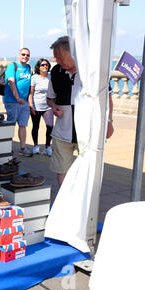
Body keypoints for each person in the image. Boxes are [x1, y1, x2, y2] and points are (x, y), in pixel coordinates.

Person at [47, 36, 114, 187]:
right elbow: (50, 98)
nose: (57, 61)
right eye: (56, 58)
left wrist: (109, 122)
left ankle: (86, 203)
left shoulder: (93, 72)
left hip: (88, 132)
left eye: (60, 57)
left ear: (73, 54)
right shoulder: (56, 72)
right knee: (62, 170)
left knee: (89, 169)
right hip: (62, 132)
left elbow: (107, 98)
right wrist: (53, 107)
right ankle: (65, 202)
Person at [3, 48, 33, 156]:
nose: (25, 56)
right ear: (19, 55)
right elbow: (11, 82)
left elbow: (30, 87)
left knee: (23, 125)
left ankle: (23, 148)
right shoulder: (12, 66)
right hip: (12, 101)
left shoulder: (28, 67)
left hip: (24, 102)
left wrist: (30, 103)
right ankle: (7, 147)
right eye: (23, 54)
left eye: (27, 55)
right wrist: (17, 97)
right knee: (11, 125)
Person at [28, 58, 53, 156]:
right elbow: (31, 93)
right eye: (42, 65)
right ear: (38, 66)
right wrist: (31, 106)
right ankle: (35, 146)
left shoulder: (50, 77)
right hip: (36, 106)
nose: (45, 66)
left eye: (46, 65)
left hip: (48, 107)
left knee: (50, 127)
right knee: (36, 127)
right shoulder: (34, 78)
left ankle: (48, 146)